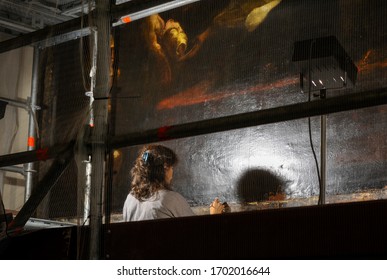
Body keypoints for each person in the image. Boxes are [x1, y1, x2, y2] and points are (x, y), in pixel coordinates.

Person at [123, 144, 225, 221]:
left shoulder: (130, 199)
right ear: (165, 168)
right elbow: (197, 234)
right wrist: (215, 215)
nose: (172, 172)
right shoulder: (169, 199)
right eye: (171, 167)